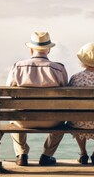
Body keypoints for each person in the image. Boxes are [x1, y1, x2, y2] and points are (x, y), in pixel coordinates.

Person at [6, 32, 68, 166]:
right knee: (62, 122)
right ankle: (46, 155)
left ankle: (21, 154)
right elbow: (65, 93)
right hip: (52, 121)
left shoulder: (18, 67)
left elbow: (8, 91)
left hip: (23, 121)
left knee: (14, 117)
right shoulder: (58, 69)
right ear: (49, 49)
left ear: (30, 49)